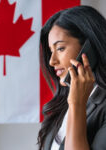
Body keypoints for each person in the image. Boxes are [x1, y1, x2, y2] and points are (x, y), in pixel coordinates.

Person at [37, 5, 106, 150]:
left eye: (60, 48)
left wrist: (77, 105)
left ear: (89, 48)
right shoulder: (63, 105)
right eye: (51, 51)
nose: (51, 61)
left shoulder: (83, 104)